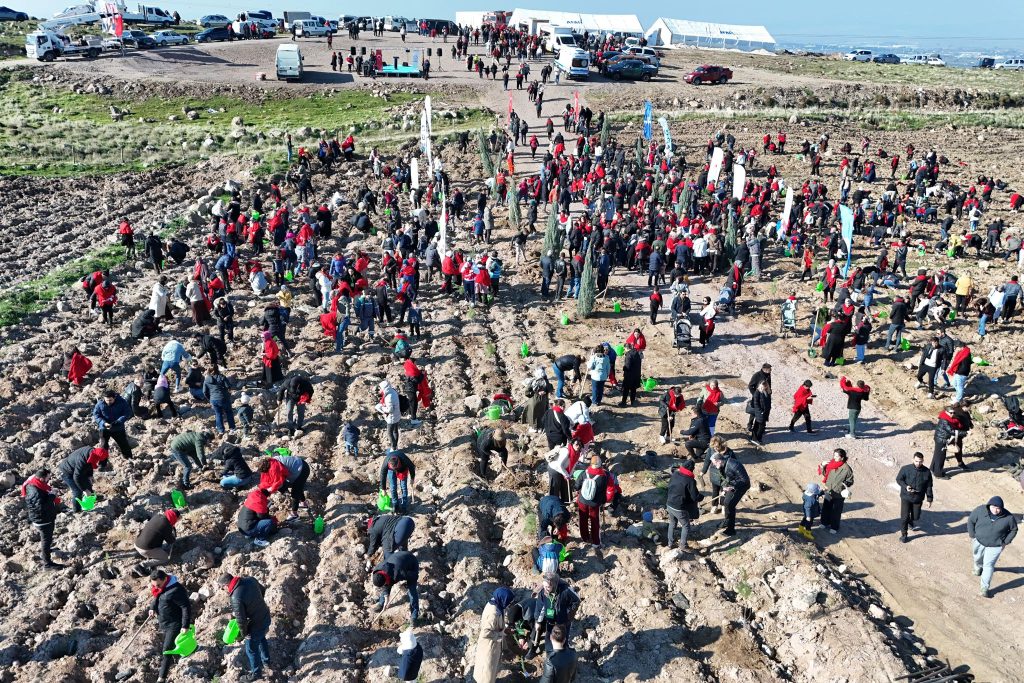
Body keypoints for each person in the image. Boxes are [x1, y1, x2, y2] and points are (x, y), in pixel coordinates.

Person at [220, 573, 271, 682]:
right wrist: (256, 604)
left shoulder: (235, 597)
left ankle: (256, 674)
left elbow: (241, 621)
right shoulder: (250, 580)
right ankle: (266, 662)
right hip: (265, 615)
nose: (223, 590)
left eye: (222, 588)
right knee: (261, 638)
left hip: (256, 624)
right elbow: (262, 590)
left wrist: (245, 634)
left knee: (251, 649)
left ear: (225, 585)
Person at [968, 496, 1017, 598]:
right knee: (977, 558)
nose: (996, 510)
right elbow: (971, 520)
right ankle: (977, 567)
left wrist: (1005, 542)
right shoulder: (980, 510)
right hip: (979, 541)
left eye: (998, 508)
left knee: (988, 566)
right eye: (994, 507)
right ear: (989, 505)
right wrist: (972, 535)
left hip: (995, 546)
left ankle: (984, 588)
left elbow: (1014, 530)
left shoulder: (1009, 518)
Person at [149, 569, 192, 683]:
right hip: (164, 622)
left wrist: (185, 625)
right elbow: (157, 596)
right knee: (171, 646)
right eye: (154, 585)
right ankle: (188, 652)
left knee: (166, 650)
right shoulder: (161, 587)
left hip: (175, 624)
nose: (156, 587)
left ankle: (161, 678)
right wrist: (152, 608)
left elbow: (186, 607)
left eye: (158, 584)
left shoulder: (176, 590)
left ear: (164, 579)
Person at [473, 587, 516, 683]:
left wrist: (505, 629)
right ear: (503, 599)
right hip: (489, 646)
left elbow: (497, 625)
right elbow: (486, 633)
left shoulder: (498, 605)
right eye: (509, 602)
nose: (509, 604)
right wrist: (502, 633)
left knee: (491, 670)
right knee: (486, 671)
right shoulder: (493, 613)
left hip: (494, 642)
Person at [21, 469, 63, 568]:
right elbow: (41, 507)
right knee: (46, 540)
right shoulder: (36, 491)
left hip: (41, 518)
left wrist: (51, 494)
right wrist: (52, 495)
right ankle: (47, 563)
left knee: (46, 539)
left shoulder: (34, 484)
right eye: (48, 478)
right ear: (41, 478)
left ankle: (46, 550)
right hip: (43, 520)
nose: (49, 480)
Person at [532, 573, 580, 653]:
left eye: (548, 587)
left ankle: (562, 658)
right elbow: (540, 607)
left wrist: (568, 613)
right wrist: (538, 621)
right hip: (550, 622)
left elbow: (576, 600)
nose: (545, 589)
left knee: (562, 643)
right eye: (544, 586)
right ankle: (550, 657)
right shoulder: (543, 592)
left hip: (563, 623)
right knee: (548, 642)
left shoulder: (566, 590)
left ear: (554, 585)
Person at [666, 457, 703, 555]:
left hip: (669, 504)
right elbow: (695, 497)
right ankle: (683, 545)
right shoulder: (690, 481)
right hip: (679, 507)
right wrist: (701, 497)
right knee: (686, 525)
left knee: (672, 523)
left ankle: (670, 543)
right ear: (691, 469)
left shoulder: (675, 474)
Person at [371, 550, 420, 623]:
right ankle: (381, 604)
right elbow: (385, 585)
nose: (384, 586)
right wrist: (386, 601)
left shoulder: (398, 572)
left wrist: (406, 585)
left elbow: (414, 576)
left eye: (384, 583)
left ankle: (414, 616)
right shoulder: (378, 570)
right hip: (398, 558)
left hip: (411, 562)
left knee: (411, 590)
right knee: (387, 585)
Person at [258, 452, 311, 519]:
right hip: (299, 464)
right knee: (298, 488)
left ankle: (294, 514)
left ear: (267, 468)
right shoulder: (270, 461)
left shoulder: (275, 467)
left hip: (302, 470)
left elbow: (278, 482)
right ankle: (304, 504)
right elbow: (266, 478)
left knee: (295, 492)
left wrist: (270, 490)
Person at [896, 452, 934, 543]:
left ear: (923, 461)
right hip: (906, 497)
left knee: (916, 517)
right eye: (916, 461)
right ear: (913, 459)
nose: (918, 463)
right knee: (904, 517)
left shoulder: (927, 472)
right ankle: (904, 535)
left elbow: (929, 486)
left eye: (920, 461)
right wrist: (906, 486)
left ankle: (910, 521)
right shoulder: (905, 469)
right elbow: (899, 479)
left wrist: (929, 499)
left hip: (918, 498)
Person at [58, 446, 108, 511]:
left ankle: (92, 498)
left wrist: (90, 476)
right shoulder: (82, 461)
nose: (99, 462)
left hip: (75, 469)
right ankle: (77, 510)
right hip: (66, 472)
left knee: (88, 483)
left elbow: (90, 464)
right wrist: (84, 490)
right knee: (77, 491)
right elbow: (76, 477)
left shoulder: (92, 452)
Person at [712, 449, 749, 536]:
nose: (713, 464)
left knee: (729, 504)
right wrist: (725, 487)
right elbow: (727, 478)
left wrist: (731, 487)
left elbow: (745, 480)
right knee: (724, 501)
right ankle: (727, 520)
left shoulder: (733, 465)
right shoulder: (722, 465)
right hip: (732, 485)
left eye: (714, 462)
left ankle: (731, 529)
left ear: (719, 461)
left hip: (741, 486)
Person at [575, 453, 608, 548]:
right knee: (595, 521)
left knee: (583, 518)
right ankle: (596, 542)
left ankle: (584, 537)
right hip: (594, 503)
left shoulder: (584, 473)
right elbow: (603, 492)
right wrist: (603, 502)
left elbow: (577, 486)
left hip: (582, 500)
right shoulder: (603, 477)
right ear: (600, 464)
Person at [819, 448, 854, 534]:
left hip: (839, 493)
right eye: (834, 455)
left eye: (836, 456)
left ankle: (834, 527)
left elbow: (850, 480)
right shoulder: (831, 464)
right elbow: (825, 474)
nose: (834, 457)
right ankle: (824, 522)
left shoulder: (847, 469)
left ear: (842, 458)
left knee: (836, 511)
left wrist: (844, 484)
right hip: (829, 490)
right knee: (826, 507)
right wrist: (822, 465)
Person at [93, 389, 134, 458]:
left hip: (118, 427)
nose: (108, 402)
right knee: (103, 446)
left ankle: (128, 458)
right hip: (104, 428)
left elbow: (127, 413)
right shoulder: (100, 404)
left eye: (110, 400)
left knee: (123, 444)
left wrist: (118, 421)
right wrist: (103, 423)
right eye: (107, 400)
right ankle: (102, 463)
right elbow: (96, 415)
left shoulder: (122, 402)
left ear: (114, 398)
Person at [203, 366, 236, 434]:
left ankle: (221, 430)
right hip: (224, 398)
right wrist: (228, 393)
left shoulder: (206, 379)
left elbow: (204, 392)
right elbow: (228, 386)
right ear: (217, 369)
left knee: (218, 414)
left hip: (214, 399)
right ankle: (232, 428)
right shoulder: (221, 377)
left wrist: (210, 398)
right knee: (229, 412)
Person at [377, 380, 402, 450]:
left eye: (381, 388)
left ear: (384, 388)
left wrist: (381, 407)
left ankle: (393, 447)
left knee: (389, 433)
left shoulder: (389, 397)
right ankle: (395, 445)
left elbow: (390, 410)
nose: (380, 389)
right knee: (395, 431)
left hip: (392, 418)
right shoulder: (393, 391)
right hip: (397, 415)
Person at [746, 364, 771, 431]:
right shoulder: (757, 375)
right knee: (754, 411)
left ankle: (762, 426)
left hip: (765, 396)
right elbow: (750, 386)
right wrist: (755, 394)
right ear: (765, 369)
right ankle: (750, 425)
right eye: (769, 369)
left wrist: (769, 392)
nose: (770, 370)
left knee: (764, 411)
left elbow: (768, 385)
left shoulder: (768, 375)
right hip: (757, 397)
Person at [749, 380, 772, 445]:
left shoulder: (767, 391)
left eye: (766, 385)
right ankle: (757, 439)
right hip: (760, 413)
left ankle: (755, 438)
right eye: (764, 385)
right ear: (761, 385)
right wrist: (761, 411)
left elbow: (768, 401)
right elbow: (756, 403)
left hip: (765, 412)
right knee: (761, 427)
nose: (765, 386)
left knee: (757, 425)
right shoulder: (757, 392)